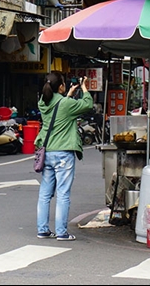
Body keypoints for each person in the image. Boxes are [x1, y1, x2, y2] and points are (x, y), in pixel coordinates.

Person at [36, 72, 92, 241]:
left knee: (45, 193)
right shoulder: (67, 104)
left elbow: (58, 106)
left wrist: (68, 95)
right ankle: (61, 232)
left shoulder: (43, 102)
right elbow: (87, 104)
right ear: (60, 86)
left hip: (47, 152)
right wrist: (83, 87)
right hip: (63, 153)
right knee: (63, 193)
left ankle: (43, 229)